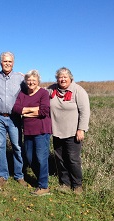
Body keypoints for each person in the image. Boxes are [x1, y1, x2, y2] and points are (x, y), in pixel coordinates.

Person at [0, 51, 27, 191]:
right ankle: (3, 175)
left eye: (10, 61)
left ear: (13, 63)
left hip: (14, 118)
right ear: (0, 62)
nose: (7, 63)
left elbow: (31, 91)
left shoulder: (20, 78)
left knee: (17, 146)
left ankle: (19, 175)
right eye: (5, 61)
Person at [48, 67, 90, 195]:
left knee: (73, 158)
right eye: (60, 77)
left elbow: (85, 112)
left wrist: (81, 129)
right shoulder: (51, 89)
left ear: (70, 78)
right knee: (60, 158)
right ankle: (64, 183)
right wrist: (25, 80)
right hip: (56, 131)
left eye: (65, 77)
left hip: (73, 132)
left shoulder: (78, 91)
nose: (62, 79)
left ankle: (77, 185)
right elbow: (37, 90)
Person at [13, 70, 52, 196]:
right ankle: (40, 179)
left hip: (41, 130)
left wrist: (25, 111)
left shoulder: (43, 93)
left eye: (34, 80)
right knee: (30, 158)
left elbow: (44, 111)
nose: (31, 82)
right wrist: (32, 109)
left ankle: (43, 186)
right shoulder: (23, 93)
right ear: (25, 81)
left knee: (41, 158)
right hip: (28, 130)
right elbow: (16, 108)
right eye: (29, 80)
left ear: (38, 81)